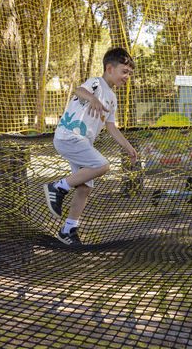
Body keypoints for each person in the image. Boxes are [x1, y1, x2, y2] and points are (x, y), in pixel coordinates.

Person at [44, 47, 137, 245]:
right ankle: (57, 187)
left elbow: (111, 127)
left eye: (129, 73)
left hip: (82, 143)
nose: (127, 77)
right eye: (124, 71)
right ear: (109, 68)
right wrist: (92, 98)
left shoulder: (112, 98)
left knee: (85, 187)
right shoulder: (96, 83)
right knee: (102, 165)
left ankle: (68, 230)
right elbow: (79, 90)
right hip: (70, 136)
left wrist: (128, 146)